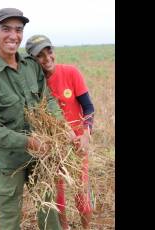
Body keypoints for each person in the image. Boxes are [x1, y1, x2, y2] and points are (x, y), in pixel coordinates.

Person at [0, 8, 64, 230]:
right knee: (10, 220)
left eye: (18, 30)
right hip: (11, 161)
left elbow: (46, 98)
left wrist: (60, 124)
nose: (13, 35)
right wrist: (28, 142)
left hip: (41, 157)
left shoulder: (31, 66)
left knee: (50, 213)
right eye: (6, 29)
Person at [26, 35, 95, 230]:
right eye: (40, 55)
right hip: (51, 149)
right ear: (32, 60)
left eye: (49, 51)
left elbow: (88, 107)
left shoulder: (70, 73)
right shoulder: (35, 86)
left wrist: (86, 134)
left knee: (82, 193)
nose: (47, 58)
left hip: (76, 146)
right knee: (58, 196)